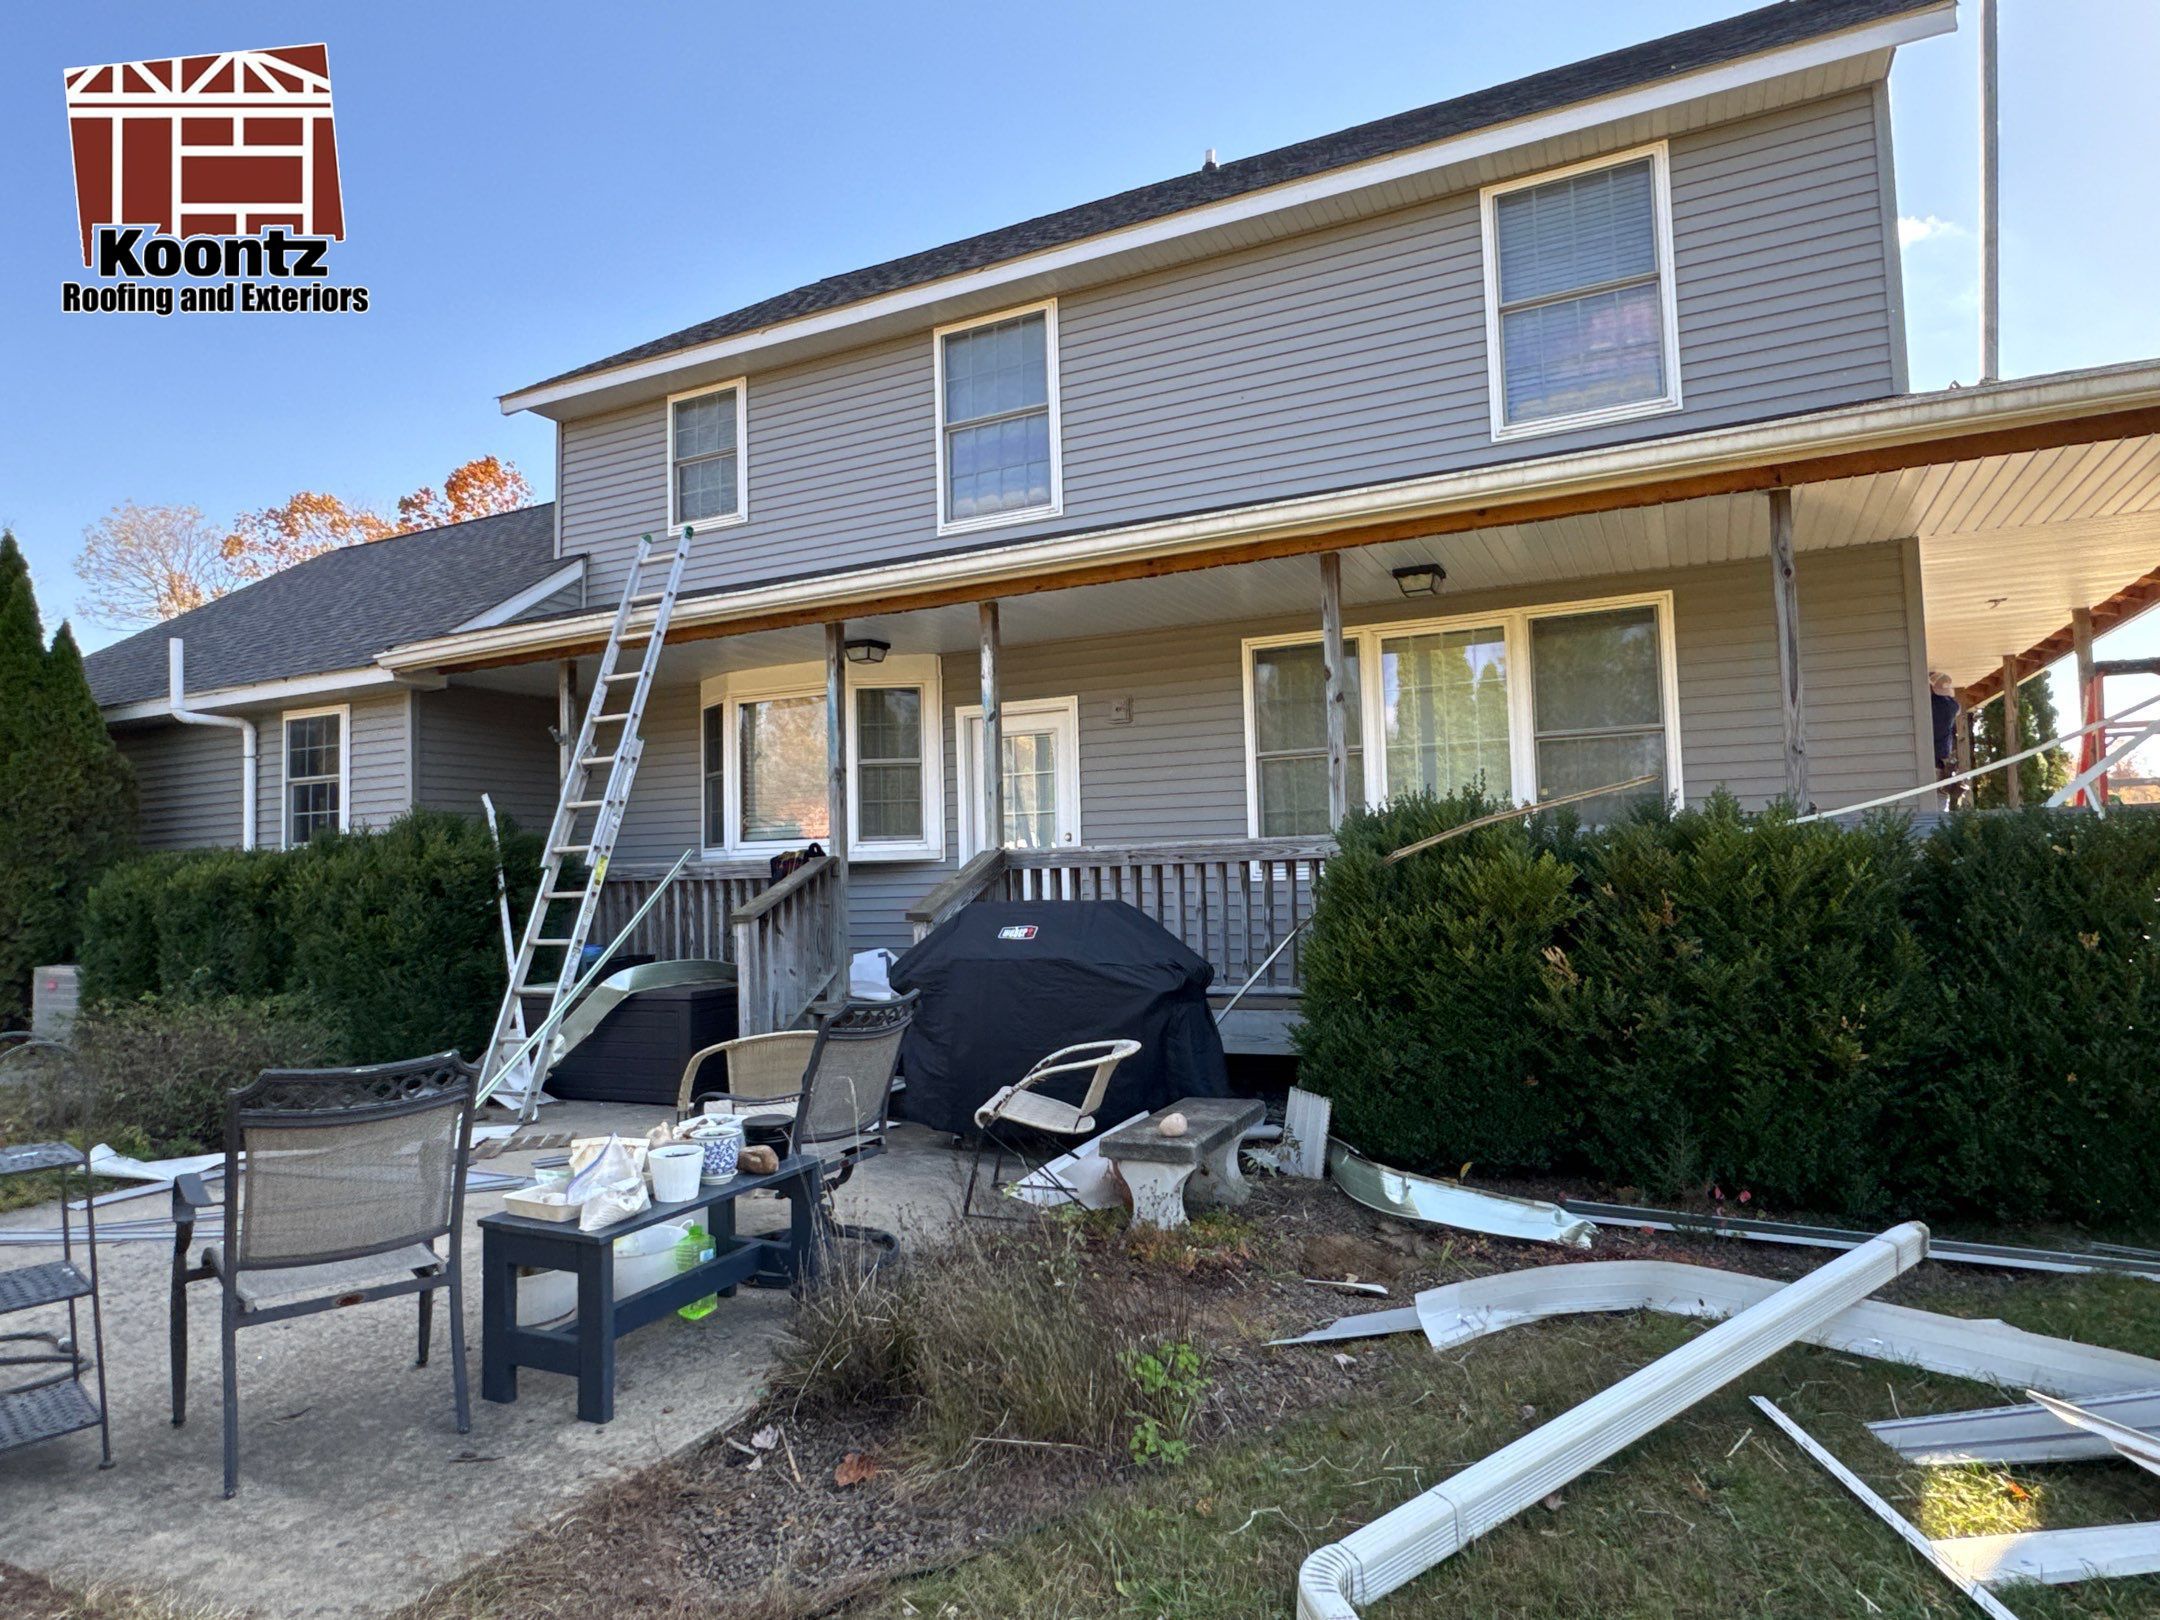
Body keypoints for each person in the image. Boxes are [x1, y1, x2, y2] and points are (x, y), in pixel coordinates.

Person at [1930, 672, 1965, 808]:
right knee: (1940, 796)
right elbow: (1956, 706)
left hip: (1930, 757)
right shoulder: (1953, 706)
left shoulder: (1931, 703)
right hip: (1942, 758)